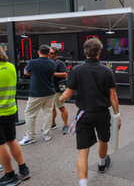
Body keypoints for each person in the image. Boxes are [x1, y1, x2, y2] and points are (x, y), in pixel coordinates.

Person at [59, 38, 121, 186]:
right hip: (102, 113)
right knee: (103, 140)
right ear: (99, 52)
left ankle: (83, 183)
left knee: (83, 150)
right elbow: (113, 95)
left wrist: (60, 98)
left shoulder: (76, 70)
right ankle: (101, 163)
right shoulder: (107, 71)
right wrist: (117, 115)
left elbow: (67, 95)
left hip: (84, 114)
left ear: (85, 52)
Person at [0, 46, 31, 185]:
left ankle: (10, 175)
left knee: (1, 144)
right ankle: (23, 169)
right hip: (10, 110)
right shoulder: (10, 67)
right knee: (11, 140)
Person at [19, 45, 57, 145]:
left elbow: (26, 72)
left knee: (30, 114)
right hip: (50, 91)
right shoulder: (53, 64)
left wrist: (35, 73)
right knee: (48, 113)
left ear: (38, 52)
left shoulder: (33, 62)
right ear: (49, 53)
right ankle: (47, 134)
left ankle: (30, 136)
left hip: (36, 92)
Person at [48, 46, 69, 134]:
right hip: (48, 89)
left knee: (61, 107)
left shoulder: (59, 63)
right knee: (51, 108)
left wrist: (53, 73)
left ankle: (65, 125)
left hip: (57, 89)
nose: (50, 54)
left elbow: (64, 74)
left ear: (56, 54)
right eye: (49, 52)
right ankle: (53, 123)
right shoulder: (46, 63)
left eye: (52, 53)